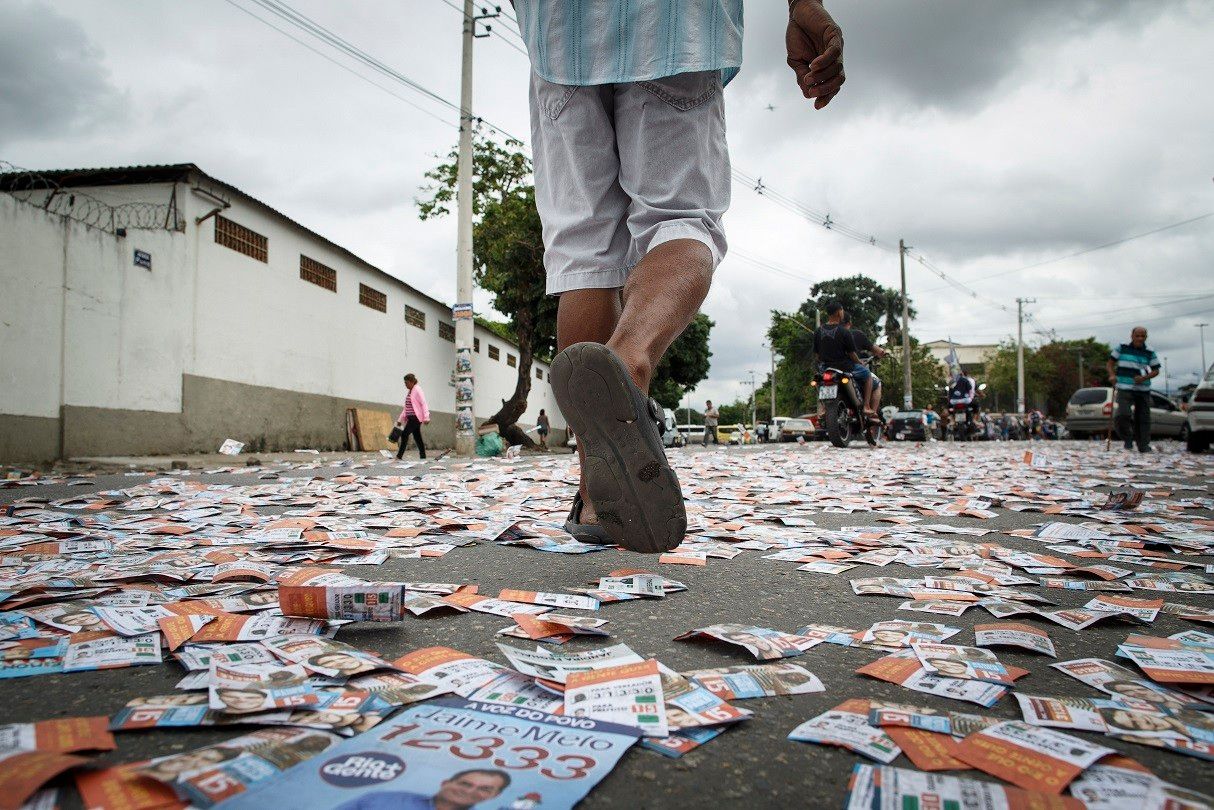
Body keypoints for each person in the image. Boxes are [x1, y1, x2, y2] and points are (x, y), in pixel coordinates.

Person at [527, 1, 846, 554]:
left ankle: (595, 494)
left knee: (583, 251)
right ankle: (629, 359)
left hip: (559, 31)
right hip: (674, 25)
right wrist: (803, 4)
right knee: (681, 218)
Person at [813, 301, 876, 420]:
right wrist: (859, 363)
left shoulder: (818, 331)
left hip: (825, 367)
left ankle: (823, 408)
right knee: (867, 375)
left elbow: (816, 355)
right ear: (838, 312)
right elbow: (852, 354)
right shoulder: (844, 332)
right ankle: (866, 406)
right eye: (842, 310)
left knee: (820, 381)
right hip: (845, 367)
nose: (842, 313)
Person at [334, 769, 511, 810]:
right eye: (465, 783)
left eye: (485, 789)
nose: (470, 791)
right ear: (445, 783)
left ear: (494, 796)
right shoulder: (380, 799)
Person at [1107, 326, 1160, 452]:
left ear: (1146, 337)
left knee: (1143, 417)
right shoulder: (1122, 347)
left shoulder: (1150, 351)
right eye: (1137, 336)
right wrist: (1112, 375)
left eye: (1142, 336)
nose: (1140, 338)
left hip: (1143, 388)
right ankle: (1128, 437)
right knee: (1122, 414)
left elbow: (1156, 370)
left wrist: (1144, 377)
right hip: (1124, 387)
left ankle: (1143, 445)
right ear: (1132, 336)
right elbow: (1110, 363)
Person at [842, 312, 888, 416]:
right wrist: (883, 352)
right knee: (875, 381)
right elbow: (854, 353)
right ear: (849, 323)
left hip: (831, 367)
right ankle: (870, 410)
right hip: (850, 367)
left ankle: (822, 410)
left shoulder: (829, 334)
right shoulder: (854, 334)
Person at [395, 373, 430, 460]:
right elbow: (407, 407)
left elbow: (423, 403)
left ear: (411, 382)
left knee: (404, 434)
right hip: (411, 417)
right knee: (417, 437)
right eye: (405, 383)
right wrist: (400, 419)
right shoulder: (410, 391)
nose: (405, 385)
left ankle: (399, 456)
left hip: (416, 418)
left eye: (406, 383)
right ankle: (423, 456)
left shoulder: (417, 389)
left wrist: (426, 417)